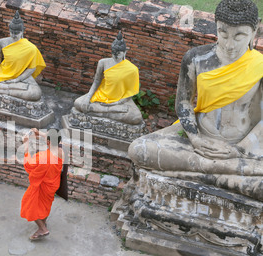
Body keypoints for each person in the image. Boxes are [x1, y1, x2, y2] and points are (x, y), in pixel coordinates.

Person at [128, 0, 262, 200]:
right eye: (223, 33)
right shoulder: (197, 59)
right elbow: (183, 103)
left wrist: (238, 149)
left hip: (242, 148)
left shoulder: (259, 66)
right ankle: (222, 174)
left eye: (239, 35)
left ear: (254, 30)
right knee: (138, 149)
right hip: (200, 139)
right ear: (216, 27)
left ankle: (204, 170)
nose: (229, 44)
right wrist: (195, 138)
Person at [73, 31, 143, 125]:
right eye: (114, 52)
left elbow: (130, 93)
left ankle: (100, 111)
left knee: (136, 117)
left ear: (125, 52)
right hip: (102, 95)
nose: (116, 55)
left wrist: (117, 103)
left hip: (120, 100)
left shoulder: (132, 69)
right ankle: (112, 111)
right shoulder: (103, 62)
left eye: (119, 53)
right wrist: (88, 97)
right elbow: (97, 81)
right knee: (78, 103)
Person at [0, 10, 46, 101]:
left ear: (23, 31)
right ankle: (11, 90)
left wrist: (17, 80)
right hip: (3, 72)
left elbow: (32, 68)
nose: (13, 35)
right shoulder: (1, 42)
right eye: (11, 32)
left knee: (36, 93)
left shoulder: (31, 48)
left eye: (16, 33)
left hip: (20, 75)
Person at [20, 128, 64, 240]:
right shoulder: (61, 151)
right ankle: (43, 224)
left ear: (48, 142)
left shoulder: (44, 157)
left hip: (42, 184)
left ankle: (43, 229)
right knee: (44, 205)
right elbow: (50, 138)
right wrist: (38, 133)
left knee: (29, 205)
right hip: (53, 184)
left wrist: (26, 144)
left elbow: (29, 165)